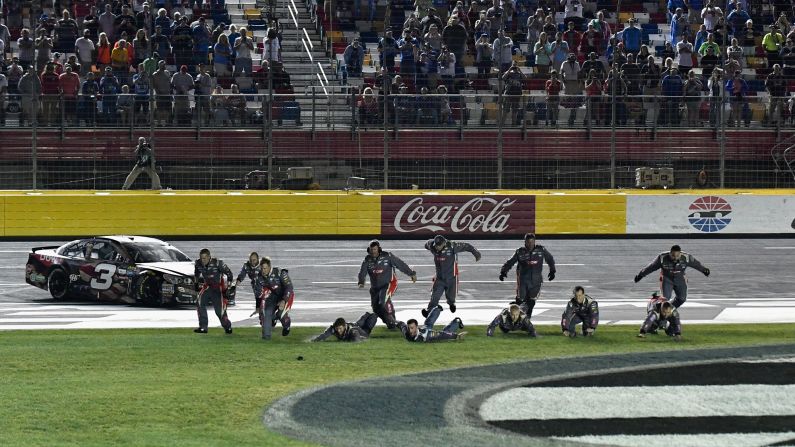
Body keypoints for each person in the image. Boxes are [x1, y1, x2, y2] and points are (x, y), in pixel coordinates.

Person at [421, 235, 481, 327]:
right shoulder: (432, 245)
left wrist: (476, 253)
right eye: (436, 245)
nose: (437, 247)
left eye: (439, 245)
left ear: (444, 243)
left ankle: (451, 303)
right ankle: (429, 312)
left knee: (451, 295)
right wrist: (427, 245)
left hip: (451, 278)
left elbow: (467, 246)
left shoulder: (452, 246)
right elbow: (427, 244)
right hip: (439, 278)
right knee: (435, 296)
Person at [358, 240, 417, 329]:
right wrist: (361, 282)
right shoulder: (367, 259)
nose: (373, 251)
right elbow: (362, 271)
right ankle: (389, 322)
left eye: (375, 249)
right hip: (375, 287)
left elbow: (400, 264)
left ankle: (393, 321)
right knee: (376, 308)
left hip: (389, 283)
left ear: (379, 249)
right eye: (371, 249)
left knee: (383, 301)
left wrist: (411, 274)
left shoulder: (388, 256)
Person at [634, 244, 710, 308]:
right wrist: (641, 275)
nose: (675, 258)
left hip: (680, 279)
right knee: (665, 299)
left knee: (682, 299)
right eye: (673, 256)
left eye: (677, 256)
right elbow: (651, 267)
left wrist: (704, 270)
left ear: (680, 254)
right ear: (670, 253)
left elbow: (696, 264)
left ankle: (668, 311)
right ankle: (658, 309)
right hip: (666, 279)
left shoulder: (687, 258)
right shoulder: (662, 258)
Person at [499, 233, 556, 318]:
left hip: (536, 281)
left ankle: (526, 319)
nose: (530, 244)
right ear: (524, 242)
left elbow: (550, 259)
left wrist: (552, 271)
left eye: (532, 242)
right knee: (520, 299)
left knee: (531, 300)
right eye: (528, 242)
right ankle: (513, 317)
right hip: (523, 281)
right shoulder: (519, 252)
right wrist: (503, 272)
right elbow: (510, 262)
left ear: (535, 242)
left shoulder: (541, 250)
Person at [193, 248, 233, 334]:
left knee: (219, 311)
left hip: (218, 288)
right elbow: (196, 273)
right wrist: (196, 284)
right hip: (207, 287)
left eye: (204, 258)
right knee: (199, 302)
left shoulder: (218, 263)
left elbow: (230, 274)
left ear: (209, 257)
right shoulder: (198, 263)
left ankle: (227, 326)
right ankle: (203, 327)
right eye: (201, 258)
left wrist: (228, 288)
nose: (202, 260)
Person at [257, 257, 294, 340]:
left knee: (281, 314)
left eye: (265, 268)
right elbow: (259, 294)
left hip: (286, 295)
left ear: (270, 267)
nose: (263, 270)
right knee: (265, 313)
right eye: (262, 268)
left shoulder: (280, 273)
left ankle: (286, 325)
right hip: (273, 296)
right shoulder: (259, 277)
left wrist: (284, 300)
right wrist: (259, 307)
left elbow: (289, 287)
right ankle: (266, 338)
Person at [311, 312, 378, 342]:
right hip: (355, 325)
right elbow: (324, 336)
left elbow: (357, 341)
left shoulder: (353, 331)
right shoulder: (333, 329)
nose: (338, 331)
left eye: (340, 328)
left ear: (344, 326)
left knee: (372, 318)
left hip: (362, 331)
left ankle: (373, 314)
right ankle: (367, 314)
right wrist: (314, 340)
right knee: (359, 322)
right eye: (337, 329)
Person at [398, 317, 466, 342]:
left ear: (416, 327)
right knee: (428, 323)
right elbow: (402, 325)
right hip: (425, 328)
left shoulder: (426, 334)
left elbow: (441, 335)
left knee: (446, 332)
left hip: (426, 330)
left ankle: (457, 322)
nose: (410, 330)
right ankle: (437, 309)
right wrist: (395, 322)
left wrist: (456, 336)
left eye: (412, 328)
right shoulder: (407, 334)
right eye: (409, 328)